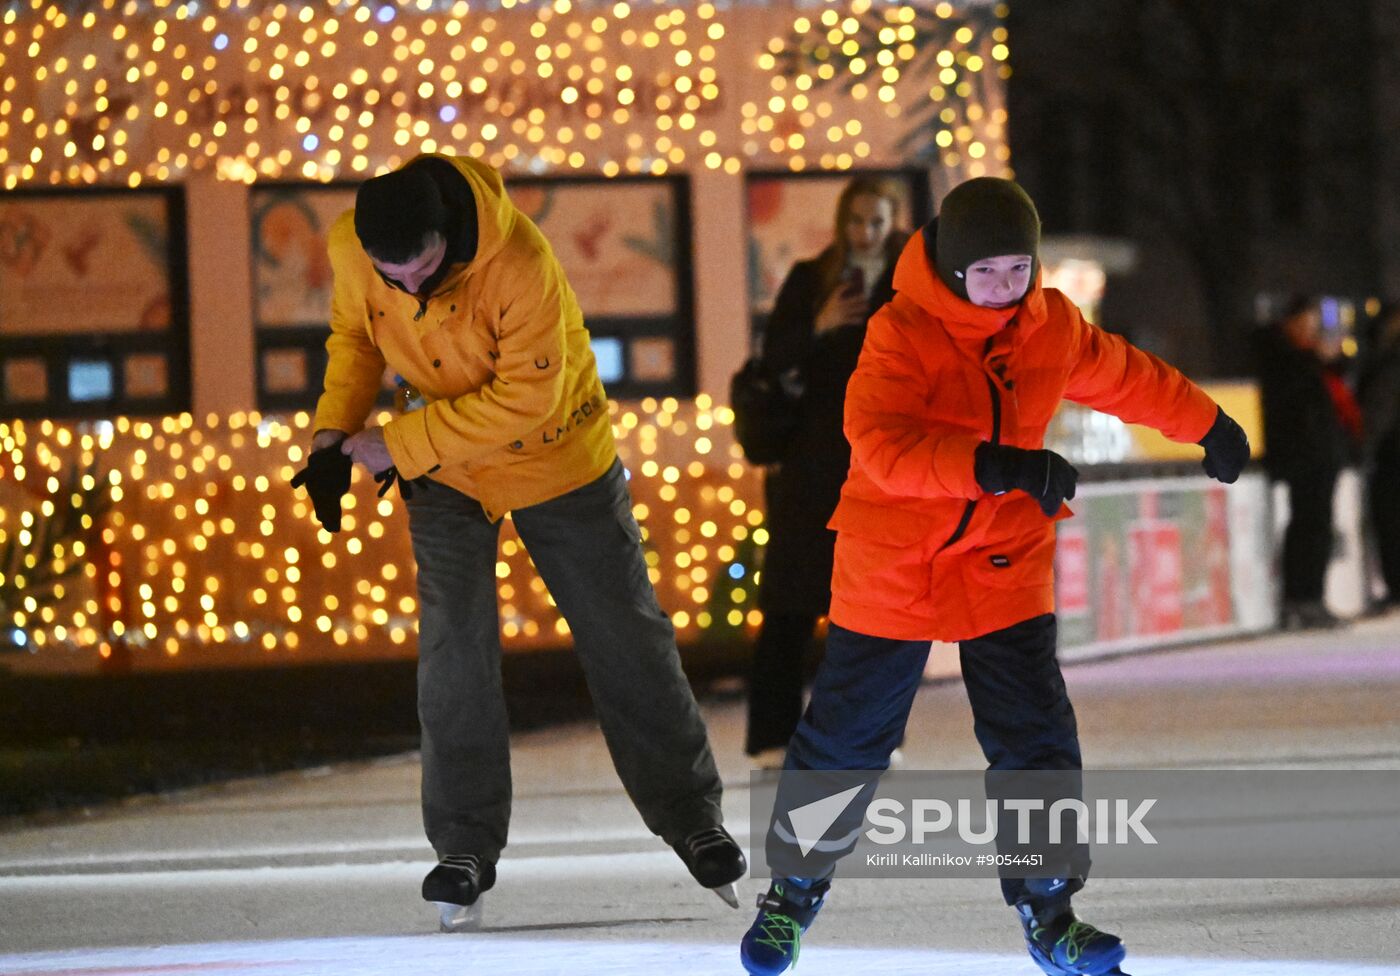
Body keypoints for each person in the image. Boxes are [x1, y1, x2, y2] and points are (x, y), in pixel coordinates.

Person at [737, 177, 1249, 976]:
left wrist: (1205, 422)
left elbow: (1126, 375)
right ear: (950, 269)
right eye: (989, 275)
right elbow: (880, 445)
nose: (1007, 290)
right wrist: (993, 463)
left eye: (1020, 270)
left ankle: (1051, 911)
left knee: (1036, 735)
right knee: (847, 739)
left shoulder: (1049, 326)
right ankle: (791, 895)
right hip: (895, 553)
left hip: (1003, 554)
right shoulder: (898, 332)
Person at [289, 154, 745, 930]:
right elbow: (355, 339)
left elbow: (526, 399)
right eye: (388, 273)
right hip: (447, 474)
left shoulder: (519, 262)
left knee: (623, 635)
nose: (406, 288)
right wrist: (332, 437)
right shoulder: (350, 248)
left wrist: (393, 445)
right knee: (453, 651)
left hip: (556, 458)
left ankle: (690, 815)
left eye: (422, 270)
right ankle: (463, 846)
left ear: (449, 237)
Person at [745, 176, 907, 765]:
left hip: (882, 462)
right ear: (842, 222)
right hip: (813, 462)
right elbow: (773, 360)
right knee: (790, 602)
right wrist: (820, 325)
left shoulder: (909, 280)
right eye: (858, 220)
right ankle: (771, 736)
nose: (866, 232)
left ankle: (872, 736)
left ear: (893, 223)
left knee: (876, 609)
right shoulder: (814, 279)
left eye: (877, 222)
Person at [1255, 297, 1351, 629]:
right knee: (1307, 528)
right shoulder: (1286, 363)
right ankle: (1301, 599)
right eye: (1307, 325)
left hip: (1320, 456)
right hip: (1305, 457)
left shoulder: (1308, 364)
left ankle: (1313, 598)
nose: (1312, 333)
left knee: (1318, 527)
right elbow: (1295, 412)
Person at [1359, 303, 1400, 610]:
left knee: (1390, 522)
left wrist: (1362, 446)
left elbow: (1378, 412)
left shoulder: (1389, 363)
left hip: (1392, 458)